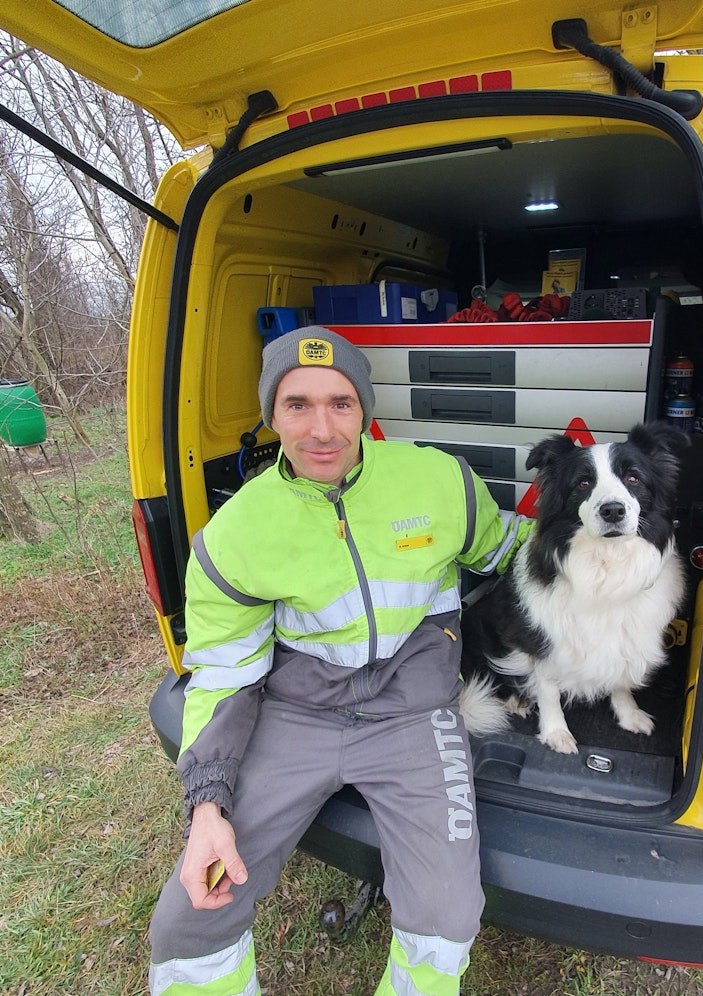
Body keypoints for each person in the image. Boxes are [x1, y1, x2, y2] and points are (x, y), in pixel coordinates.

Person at [148, 327, 532, 996]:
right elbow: (225, 676)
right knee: (189, 915)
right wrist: (207, 806)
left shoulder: (439, 481)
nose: (322, 429)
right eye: (297, 405)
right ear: (271, 415)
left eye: (341, 403)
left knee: (447, 917)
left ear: (366, 410)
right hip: (296, 715)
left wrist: (600, 541)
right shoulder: (235, 535)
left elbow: (510, 552)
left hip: (412, 716)